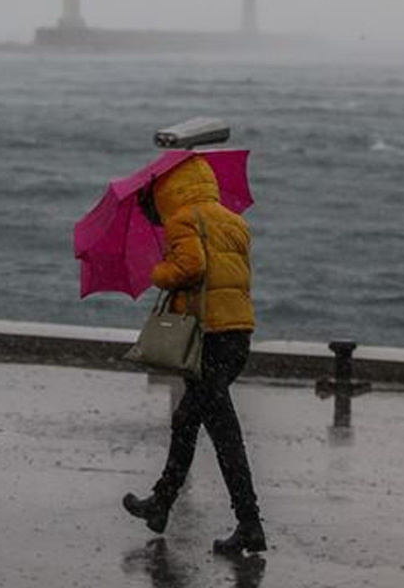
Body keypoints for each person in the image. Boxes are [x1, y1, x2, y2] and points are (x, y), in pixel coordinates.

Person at [122, 156, 266, 554]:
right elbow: (229, 275)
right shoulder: (233, 220)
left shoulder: (183, 219)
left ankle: (249, 524)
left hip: (208, 339)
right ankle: (162, 503)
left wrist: (159, 272)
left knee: (224, 433)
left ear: (169, 189)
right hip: (237, 335)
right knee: (187, 419)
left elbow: (191, 267)